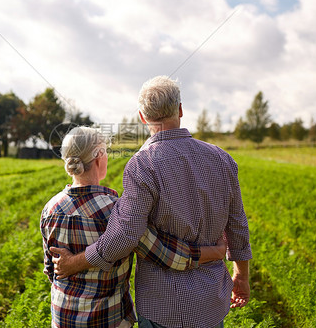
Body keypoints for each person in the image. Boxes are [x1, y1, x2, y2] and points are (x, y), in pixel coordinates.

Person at [52, 76, 252, 328]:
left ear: (143, 117)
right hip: (211, 300)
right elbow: (237, 226)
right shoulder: (222, 159)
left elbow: (124, 237)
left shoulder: (142, 164)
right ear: (180, 109)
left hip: (162, 305)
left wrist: (73, 263)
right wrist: (241, 276)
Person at [41, 126, 226, 328]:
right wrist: (212, 252)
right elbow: (165, 253)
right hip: (107, 319)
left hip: (62, 318)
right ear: (99, 158)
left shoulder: (50, 209)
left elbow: (51, 270)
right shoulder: (117, 211)